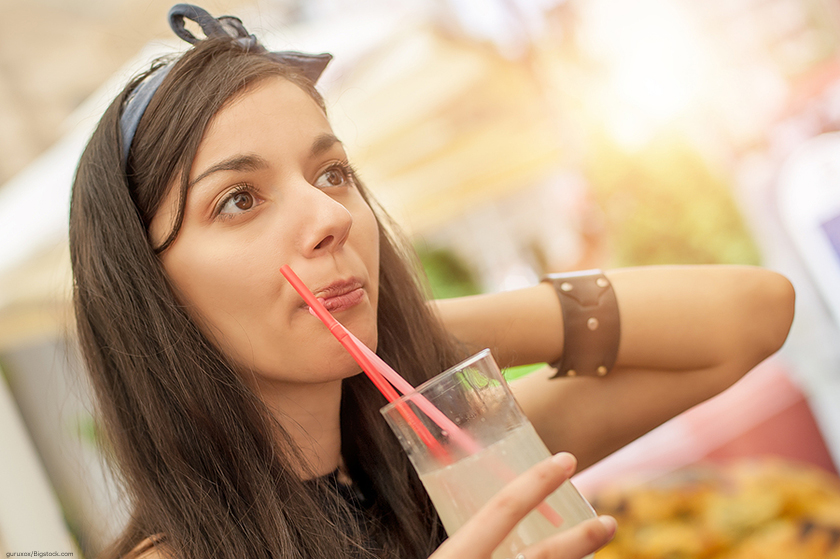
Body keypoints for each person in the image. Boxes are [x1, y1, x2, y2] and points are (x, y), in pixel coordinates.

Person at [68, 4, 796, 559]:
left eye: (332, 173)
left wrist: (419, 323)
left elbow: (754, 315)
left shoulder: (449, 463)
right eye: (239, 199)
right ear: (147, 293)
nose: (330, 215)